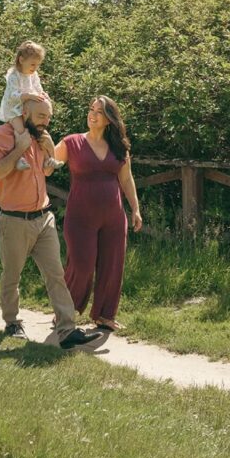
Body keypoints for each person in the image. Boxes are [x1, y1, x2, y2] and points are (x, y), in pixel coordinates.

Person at [0, 96, 103, 350]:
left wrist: (49, 152)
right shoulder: (3, 135)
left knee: (56, 274)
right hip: (14, 220)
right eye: (41, 117)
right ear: (25, 112)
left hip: (43, 217)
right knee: (12, 275)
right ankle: (12, 322)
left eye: (48, 117)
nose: (45, 122)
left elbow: (46, 171)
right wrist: (19, 148)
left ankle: (67, 329)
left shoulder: (41, 136)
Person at [54, 96, 142, 333]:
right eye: (91, 110)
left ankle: (104, 315)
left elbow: (126, 178)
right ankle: (64, 312)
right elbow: (48, 163)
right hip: (80, 217)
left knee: (112, 266)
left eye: (99, 112)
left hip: (114, 218)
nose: (92, 115)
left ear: (109, 119)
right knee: (81, 265)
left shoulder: (118, 147)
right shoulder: (71, 142)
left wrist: (135, 208)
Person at [0, 40, 62, 172]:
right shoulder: (13, 75)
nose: (35, 68)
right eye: (33, 64)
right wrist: (28, 95)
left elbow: (39, 89)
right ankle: (19, 159)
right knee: (21, 131)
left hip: (28, 108)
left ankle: (50, 159)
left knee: (41, 133)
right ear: (21, 60)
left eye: (38, 65)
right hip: (14, 109)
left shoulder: (33, 74)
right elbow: (12, 96)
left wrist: (44, 96)